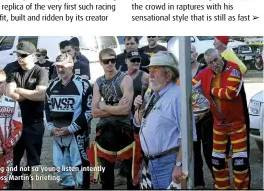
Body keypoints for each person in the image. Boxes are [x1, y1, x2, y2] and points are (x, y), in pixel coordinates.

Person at [132, 51, 196, 189]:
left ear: (168, 75)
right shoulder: (153, 95)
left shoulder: (178, 96)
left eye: (155, 70)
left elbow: (188, 136)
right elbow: (139, 124)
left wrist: (179, 165)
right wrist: (140, 108)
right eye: (150, 70)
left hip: (169, 164)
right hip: (151, 162)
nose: (151, 75)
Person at [192, 48, 250, 189]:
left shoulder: (233, 68)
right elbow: (188, 87)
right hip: (218, 125)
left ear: (220, 56)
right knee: (217, 163)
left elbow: (231, 93)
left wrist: (210, 91)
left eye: (216, 59)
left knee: (240, 163)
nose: (214, 64)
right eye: (210, 62)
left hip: (237, 125)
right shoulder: (204, 73)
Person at [87, 48, 139, 189]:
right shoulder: (98, 82)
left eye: (113, 60)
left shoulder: (125, 78)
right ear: (100, 62)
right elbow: (94, 112)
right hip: (104, 131)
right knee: (105, 176)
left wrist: (104, 106)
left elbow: (125, 110)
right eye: (106, 61)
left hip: (124, 129)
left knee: (131, 173)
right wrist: (115, 108)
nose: (110, 63)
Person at [44, 53, 93, 189]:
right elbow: (46, 109)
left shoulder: (83, 84)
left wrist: (71, 128)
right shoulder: (52, 85)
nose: (60, 69)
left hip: (76, 134)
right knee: (61, 167)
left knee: (80, 166)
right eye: (57, 66)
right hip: (57, 134)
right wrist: (51, 127)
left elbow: (89, 111)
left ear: (71, 65)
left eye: (63, 66)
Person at [4, 41, 49, 189]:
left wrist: (21, 91)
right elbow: (10, 94)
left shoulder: (40, 71)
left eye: (23, 55)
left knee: (34, 162)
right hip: (15, 123)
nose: (20, 58)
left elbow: (41, 95)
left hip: (34, 123)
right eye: (18, 54)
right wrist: (31, 93)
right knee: (14, 161)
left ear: (33, 56)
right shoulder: (13, 70)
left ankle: (37, 187)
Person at [190, 44, 214, 189]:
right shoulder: (182, 71)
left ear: (196, 53)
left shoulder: (205, 69)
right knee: (194, 153)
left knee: (209, 151)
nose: (189, 55)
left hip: (207, 118)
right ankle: (199, 184)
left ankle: (219, 181)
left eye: (191, 52)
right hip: (190, 119)